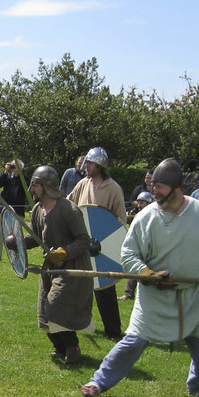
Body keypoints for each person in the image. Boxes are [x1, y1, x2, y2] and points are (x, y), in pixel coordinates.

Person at [81, 158, 199, 397]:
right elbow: (128, 253)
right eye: (154, 186)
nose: (154, 190)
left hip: (192, 295)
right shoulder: (146, 217)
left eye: (159, 186)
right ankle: (98, 382)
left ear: (175, 187)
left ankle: (197, 387)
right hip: (154, 294)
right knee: (133, 343)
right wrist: (146, 274)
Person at [6, 166, 94, 364]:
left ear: (46, 187)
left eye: (35, 186)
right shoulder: (38, 210)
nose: (31, 190)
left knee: (55, 306)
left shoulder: (68, 210)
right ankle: (59, 347)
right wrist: (19, 242)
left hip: (72, 267)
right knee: (44, 310)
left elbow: (84, 240)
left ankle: (72, 347)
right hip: (51, 268)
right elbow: (36, 237)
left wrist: (64, 251)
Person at [68, 146, 127, 341]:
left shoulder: (113, 188)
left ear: (100, 165)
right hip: (82, 242)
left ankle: (113, 331)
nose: (86, 166)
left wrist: (105, 230)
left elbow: (120, 220)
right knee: (81, 286)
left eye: (90, 163)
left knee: (105, 290)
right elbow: (70, 206)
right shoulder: (82, 184)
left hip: (103, 246)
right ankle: (79, 324)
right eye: (86, 163)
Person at [119, 191, 153, 300]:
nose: (139, 205)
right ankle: (128, 294)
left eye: (142, 202)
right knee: (135, 268)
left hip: (150, 247)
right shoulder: (137, 214)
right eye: (138, 202)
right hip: (138, 246)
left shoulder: (152, 215)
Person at [0, 160, 28, 262]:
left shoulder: (24, 179)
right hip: (3, 210)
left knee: (16, 236)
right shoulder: (7, 177)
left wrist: (18, 175)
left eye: (15, 166)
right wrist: (5, 171)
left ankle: (16, 258)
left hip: (17, 211)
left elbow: (25, 188)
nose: (13, 167)